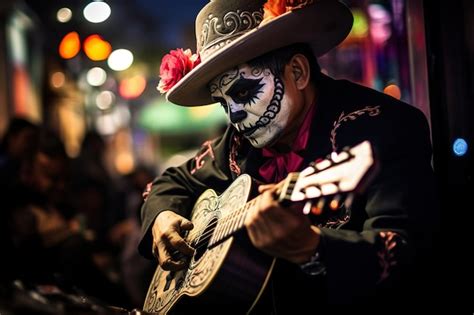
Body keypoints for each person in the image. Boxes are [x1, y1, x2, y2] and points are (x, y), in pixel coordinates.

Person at [139, 0, 438, 311]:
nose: (234, 116)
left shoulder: (383, 126)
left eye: (243, 92)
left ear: (298, 72)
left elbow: (408, 254)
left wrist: (313, 248)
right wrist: (162, 217)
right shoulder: (236, 143)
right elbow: (170, 182)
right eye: (223, 103)